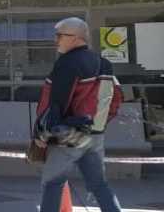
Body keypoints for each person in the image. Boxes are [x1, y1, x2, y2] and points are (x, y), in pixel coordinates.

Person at [34, 17, 123, 212]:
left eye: (60, 36)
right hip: (95, 135)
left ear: (76, 38)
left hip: (68, 136)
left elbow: (56, 104)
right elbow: (115, 100)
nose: (56, 40)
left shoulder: (67, 63)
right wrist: (99, 124)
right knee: (99, 186)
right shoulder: (104, 64)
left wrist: (42, 135)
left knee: (52, 183)